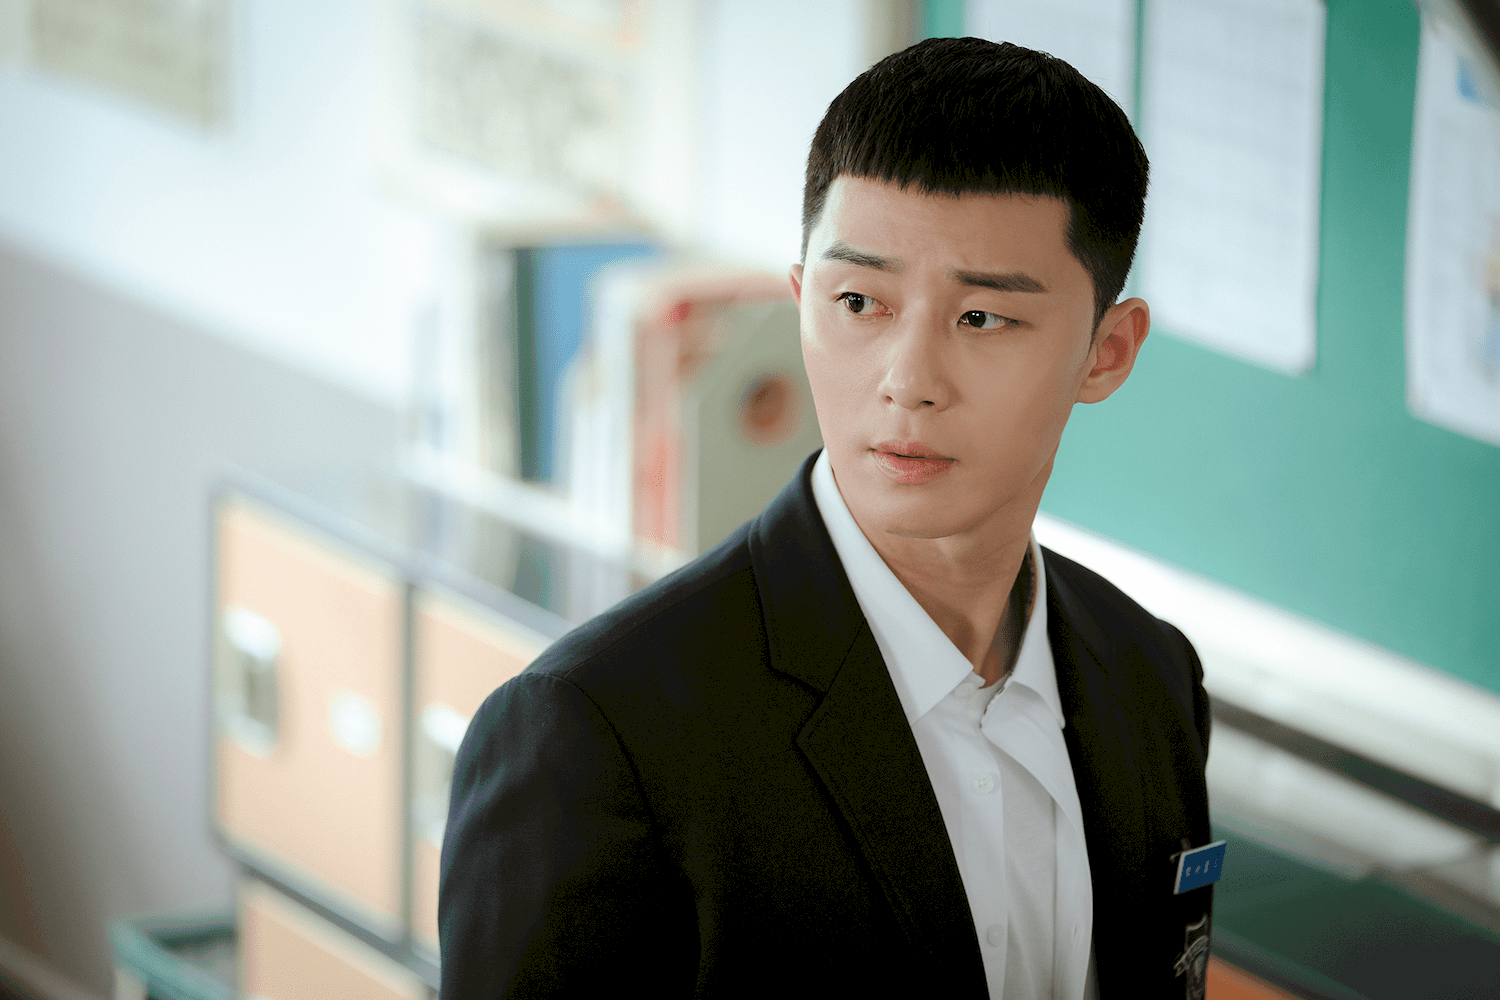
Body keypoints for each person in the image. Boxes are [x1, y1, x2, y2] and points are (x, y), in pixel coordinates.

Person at [439, 37, 1213, 1000]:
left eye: (982, 317)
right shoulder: (594, 735)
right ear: (802, 301)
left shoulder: (1152, 676)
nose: (907, 381)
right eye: (859, 301)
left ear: (1107, 352)